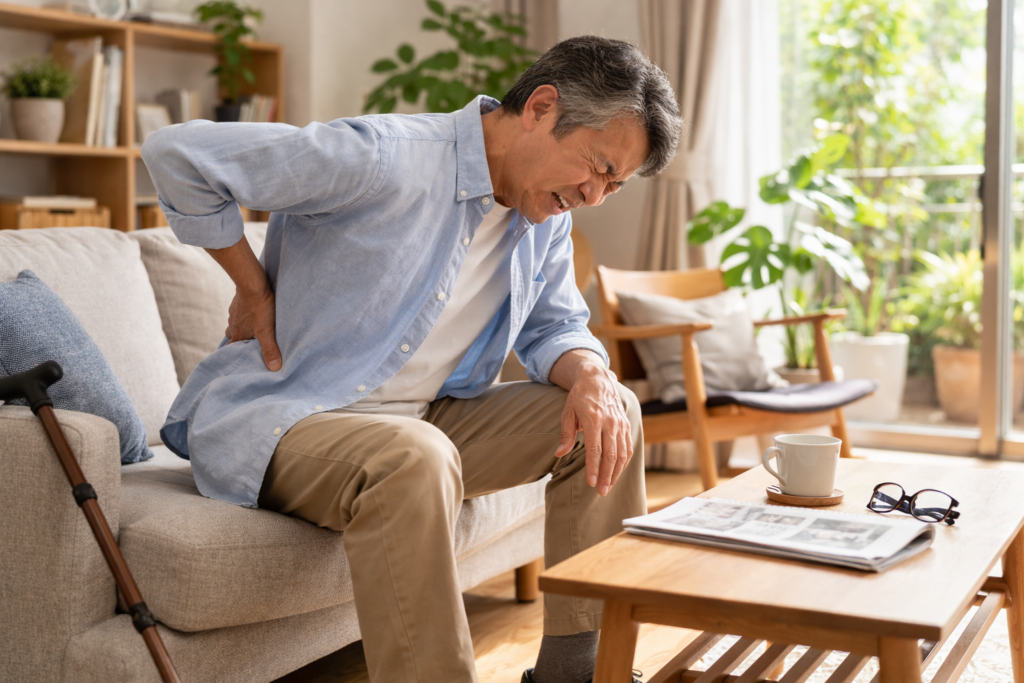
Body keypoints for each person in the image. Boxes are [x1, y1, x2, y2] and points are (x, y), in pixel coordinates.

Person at [142, 35, 681, 683]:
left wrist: (591, 371)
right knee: (414, 455)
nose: (595, 196)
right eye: (596, 167)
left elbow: (555, 327)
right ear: (541, 108)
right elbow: (176, 154)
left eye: (614, 185)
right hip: (290, 418)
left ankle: (581, 674)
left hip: (429, 417)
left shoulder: (547, 218)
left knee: (611, 407)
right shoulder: (382, 157)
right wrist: (251, 286)